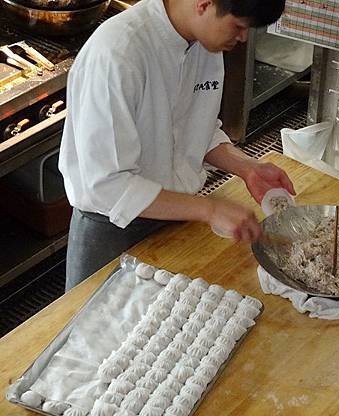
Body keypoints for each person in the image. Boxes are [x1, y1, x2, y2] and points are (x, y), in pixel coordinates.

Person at [59, 0, 295, 291]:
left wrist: (247, 167)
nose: (243, 38)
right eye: (239, 26)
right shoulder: (117, 54)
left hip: (179, 216)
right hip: (112, 229)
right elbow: (108, 186)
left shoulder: (204, 42)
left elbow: (196, 129)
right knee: (98, 330)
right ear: (204, 4)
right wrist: (209, 209)